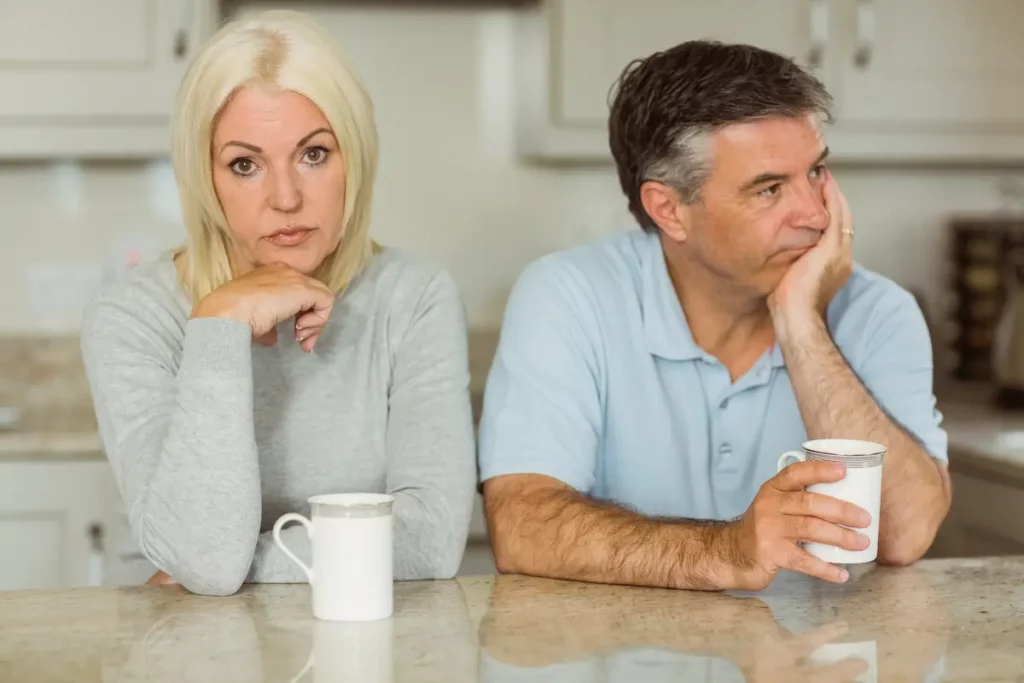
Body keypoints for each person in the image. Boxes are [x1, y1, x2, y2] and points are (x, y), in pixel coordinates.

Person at [478, 40, 951, 592]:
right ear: (669, 210)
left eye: (816, 172)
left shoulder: (877, 311)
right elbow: (523, 525)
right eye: (770, 189)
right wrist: (725, 550)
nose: (817, 214)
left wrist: (801, 325)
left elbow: (907, 533)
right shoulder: (568, 295)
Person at [81, 10, 475, 596]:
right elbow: (203, 560)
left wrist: (237, 562)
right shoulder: (132, 317)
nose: (286, 197)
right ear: (204, 178)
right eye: (245, 164)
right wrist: (218, 326)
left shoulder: (413, 297)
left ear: (356, 158)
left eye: (314, 154)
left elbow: (434, 541)